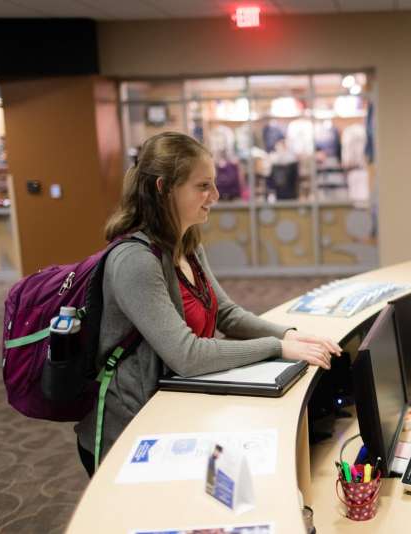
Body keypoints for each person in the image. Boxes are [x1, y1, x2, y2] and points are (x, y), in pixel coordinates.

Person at [74, 132, 341, 476]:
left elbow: (227, 314)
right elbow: (186, 355)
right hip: (129, 431)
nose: (215, 196)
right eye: (203, 186)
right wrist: (276, 347)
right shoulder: (135, 261)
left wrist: (290, 335)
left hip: (171, 405)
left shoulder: (187, 244)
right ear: (163, 188)